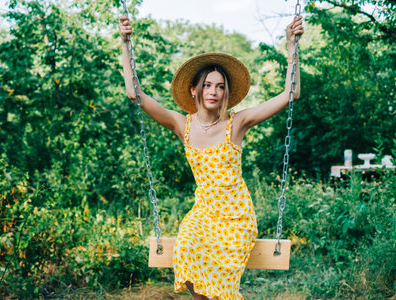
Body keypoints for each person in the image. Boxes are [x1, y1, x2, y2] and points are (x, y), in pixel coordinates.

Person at [119, 14, 304, 300]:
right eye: (207, 85)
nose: (213, 92)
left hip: (236, 218)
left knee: (219, 290)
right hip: (203, 215)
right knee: (185, 251)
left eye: (220, 86)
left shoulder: (237, 123)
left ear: (226, 92)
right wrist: (124, 41)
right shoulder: (183, 125)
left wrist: (292, 48)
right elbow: (135, 94)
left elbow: (290, 94)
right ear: (194, 89)